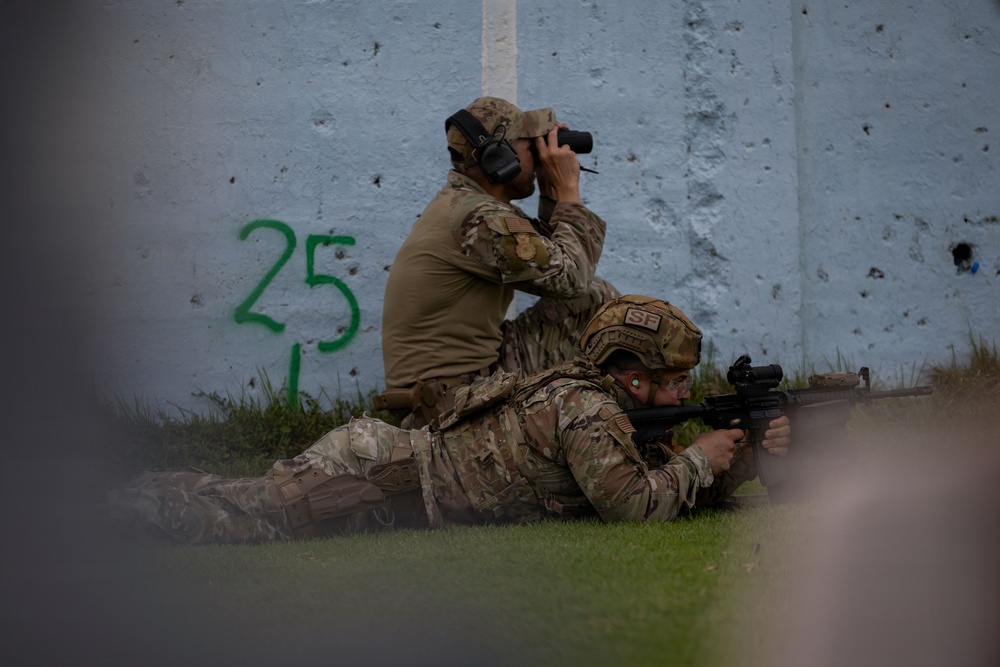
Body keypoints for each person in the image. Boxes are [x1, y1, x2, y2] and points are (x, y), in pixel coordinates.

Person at [107, 295, 791, 545]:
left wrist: (749, 453)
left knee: (241, 497)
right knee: (235, 518)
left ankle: (134, 490)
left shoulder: (604, 406)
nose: (681, 393)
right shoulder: (585, 409)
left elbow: (669, 484)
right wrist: (702, 454)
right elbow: (636, 508)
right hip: (380, 478)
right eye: (671, 382)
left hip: (390, 467)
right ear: (631, 375)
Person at [377, 96, 619, 427]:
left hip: (469, 379)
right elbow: (569, 278)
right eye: (528, 145)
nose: (539, 155)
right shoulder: (479, 218)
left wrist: (549, 192)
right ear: (498, 159)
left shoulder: (470, 205)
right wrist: (568, 190)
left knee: (594, 301)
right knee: (595, 300)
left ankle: (605, 418)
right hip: (447, 406)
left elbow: (550, 269)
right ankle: (600, 428)